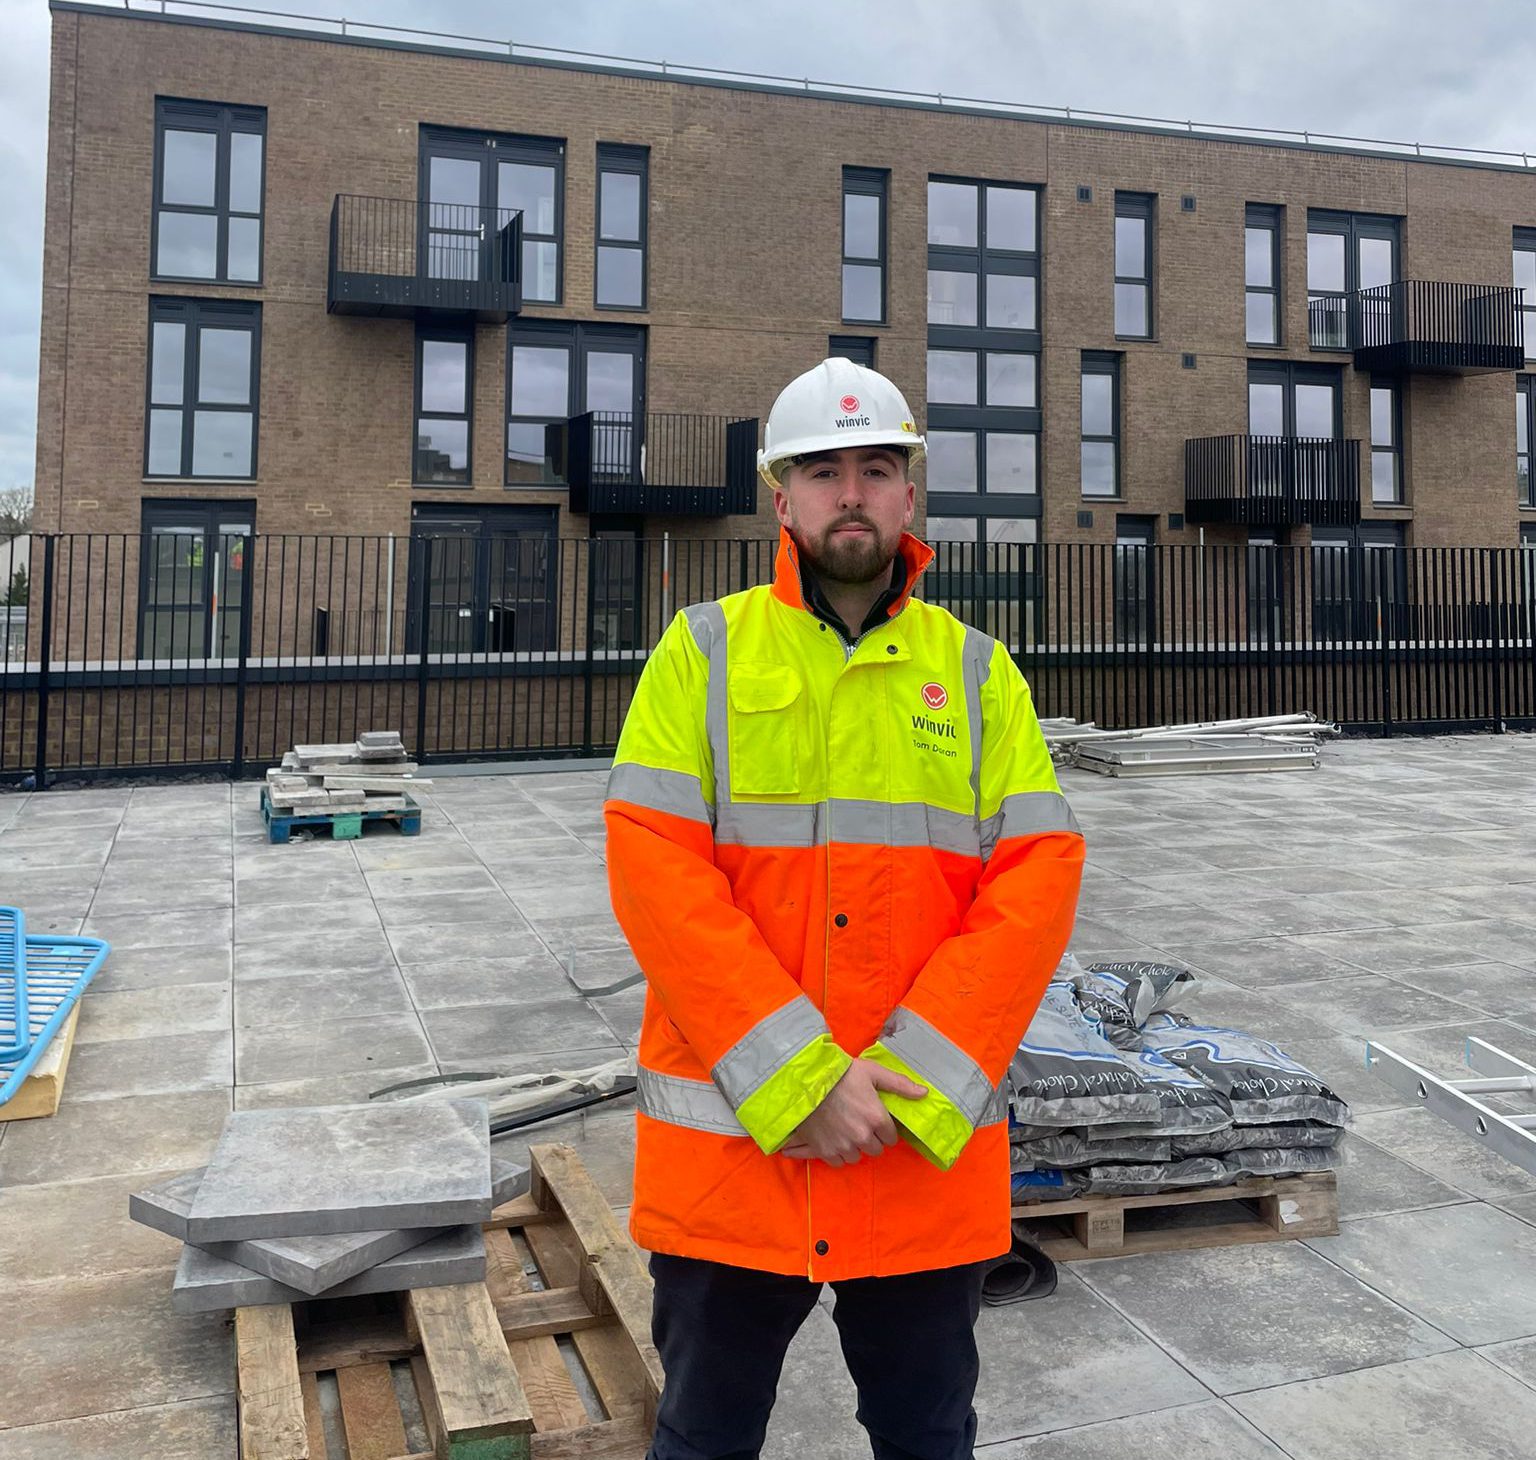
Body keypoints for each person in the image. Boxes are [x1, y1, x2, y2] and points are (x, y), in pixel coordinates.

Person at [604, 358, 1084, 1460]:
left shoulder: (976, 673)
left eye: (878, 468)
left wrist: (900, 1081)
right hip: (734, 1161)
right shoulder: (701, 652)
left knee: (926, 1435)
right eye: (824, 469)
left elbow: (1037, 878)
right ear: (783, 496)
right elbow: (655, 872)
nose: (852, 491)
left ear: (911, 493)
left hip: (916, 1156)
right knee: (703, 1435)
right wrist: (798, 1078)